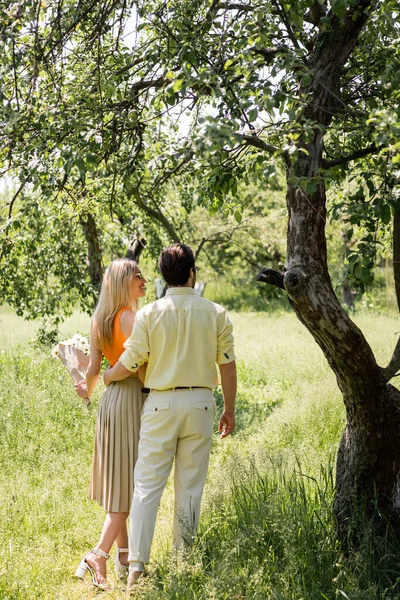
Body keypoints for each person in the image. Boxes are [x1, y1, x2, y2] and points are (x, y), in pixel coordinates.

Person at [103, 243, 237, 592]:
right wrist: (230, 409)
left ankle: (136, 567)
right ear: (192, 273)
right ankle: (182, 559)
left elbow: (131, 361)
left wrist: (106, 376)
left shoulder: (149, 313)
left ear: (164, 277)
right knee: (190, 487)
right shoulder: (217, 313)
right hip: (200, 404)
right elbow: (227, 364)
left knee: (147, 486)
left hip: (160, 404)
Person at [74, 258, 148, 590]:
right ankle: (98, 554)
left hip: (110, 401)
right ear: (123, 283)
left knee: (119, 480)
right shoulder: (130, 318)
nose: (144, 280)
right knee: (128, 487)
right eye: (138, 276)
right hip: (131, 398)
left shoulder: (98, 321)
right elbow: (140, 366)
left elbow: (92, 372)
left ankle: (124, 556)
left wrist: (86, 390)